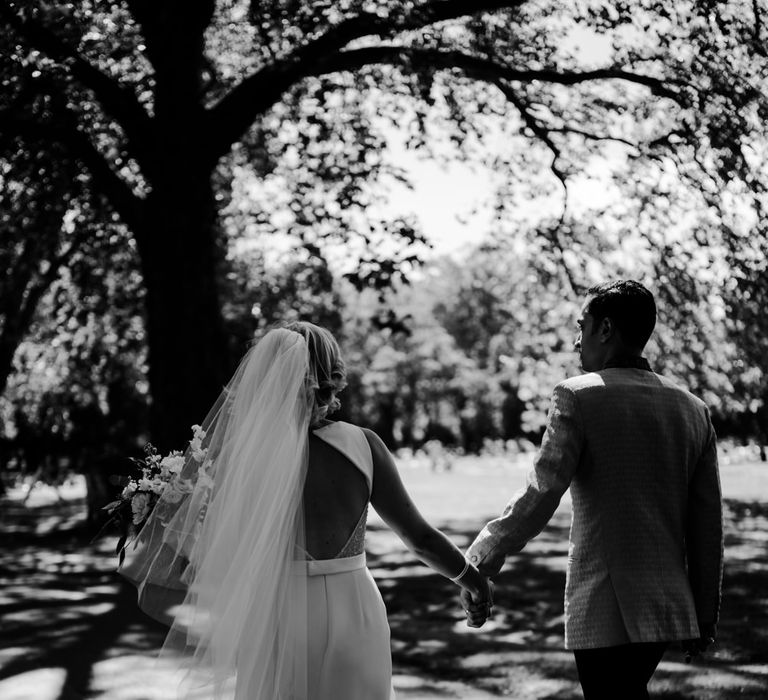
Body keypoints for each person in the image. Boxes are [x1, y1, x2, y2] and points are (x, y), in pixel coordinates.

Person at [120, 321, 491, 699]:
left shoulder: (239, 459)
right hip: (356, 615)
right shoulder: (364, 445)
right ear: (330, 377)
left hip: (277, 618)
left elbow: (198, 553)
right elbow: (420, 538)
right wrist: (472, 581)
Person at [463, 280, 723, 699]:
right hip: (666, 605)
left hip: (604, 602)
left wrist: (480, 558)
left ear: (605, 329)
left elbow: (542, 491)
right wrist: (705, 613)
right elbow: (707, 525)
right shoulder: (693, 409)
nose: (575, 339)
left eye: (581, 325)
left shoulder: (577, 397)